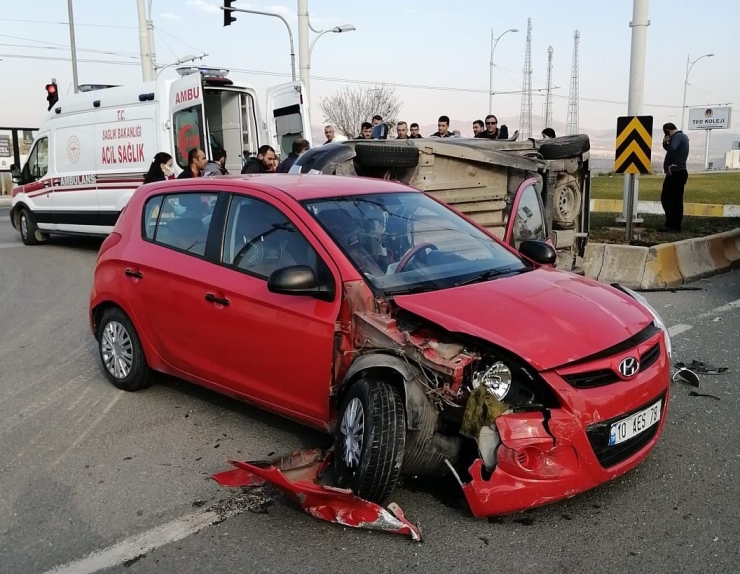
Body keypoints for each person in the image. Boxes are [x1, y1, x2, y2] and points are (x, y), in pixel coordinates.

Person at [661, 122, 690, 232]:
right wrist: (665, 144)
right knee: (676, 199)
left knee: (668, 198)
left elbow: (672, 149)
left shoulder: (677, 137)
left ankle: (672, 224)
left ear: (667, 131)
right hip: (680, 172)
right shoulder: (683, 136)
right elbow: (672, 149)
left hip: (675, 172)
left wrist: (670, 164)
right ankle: (674, 224)